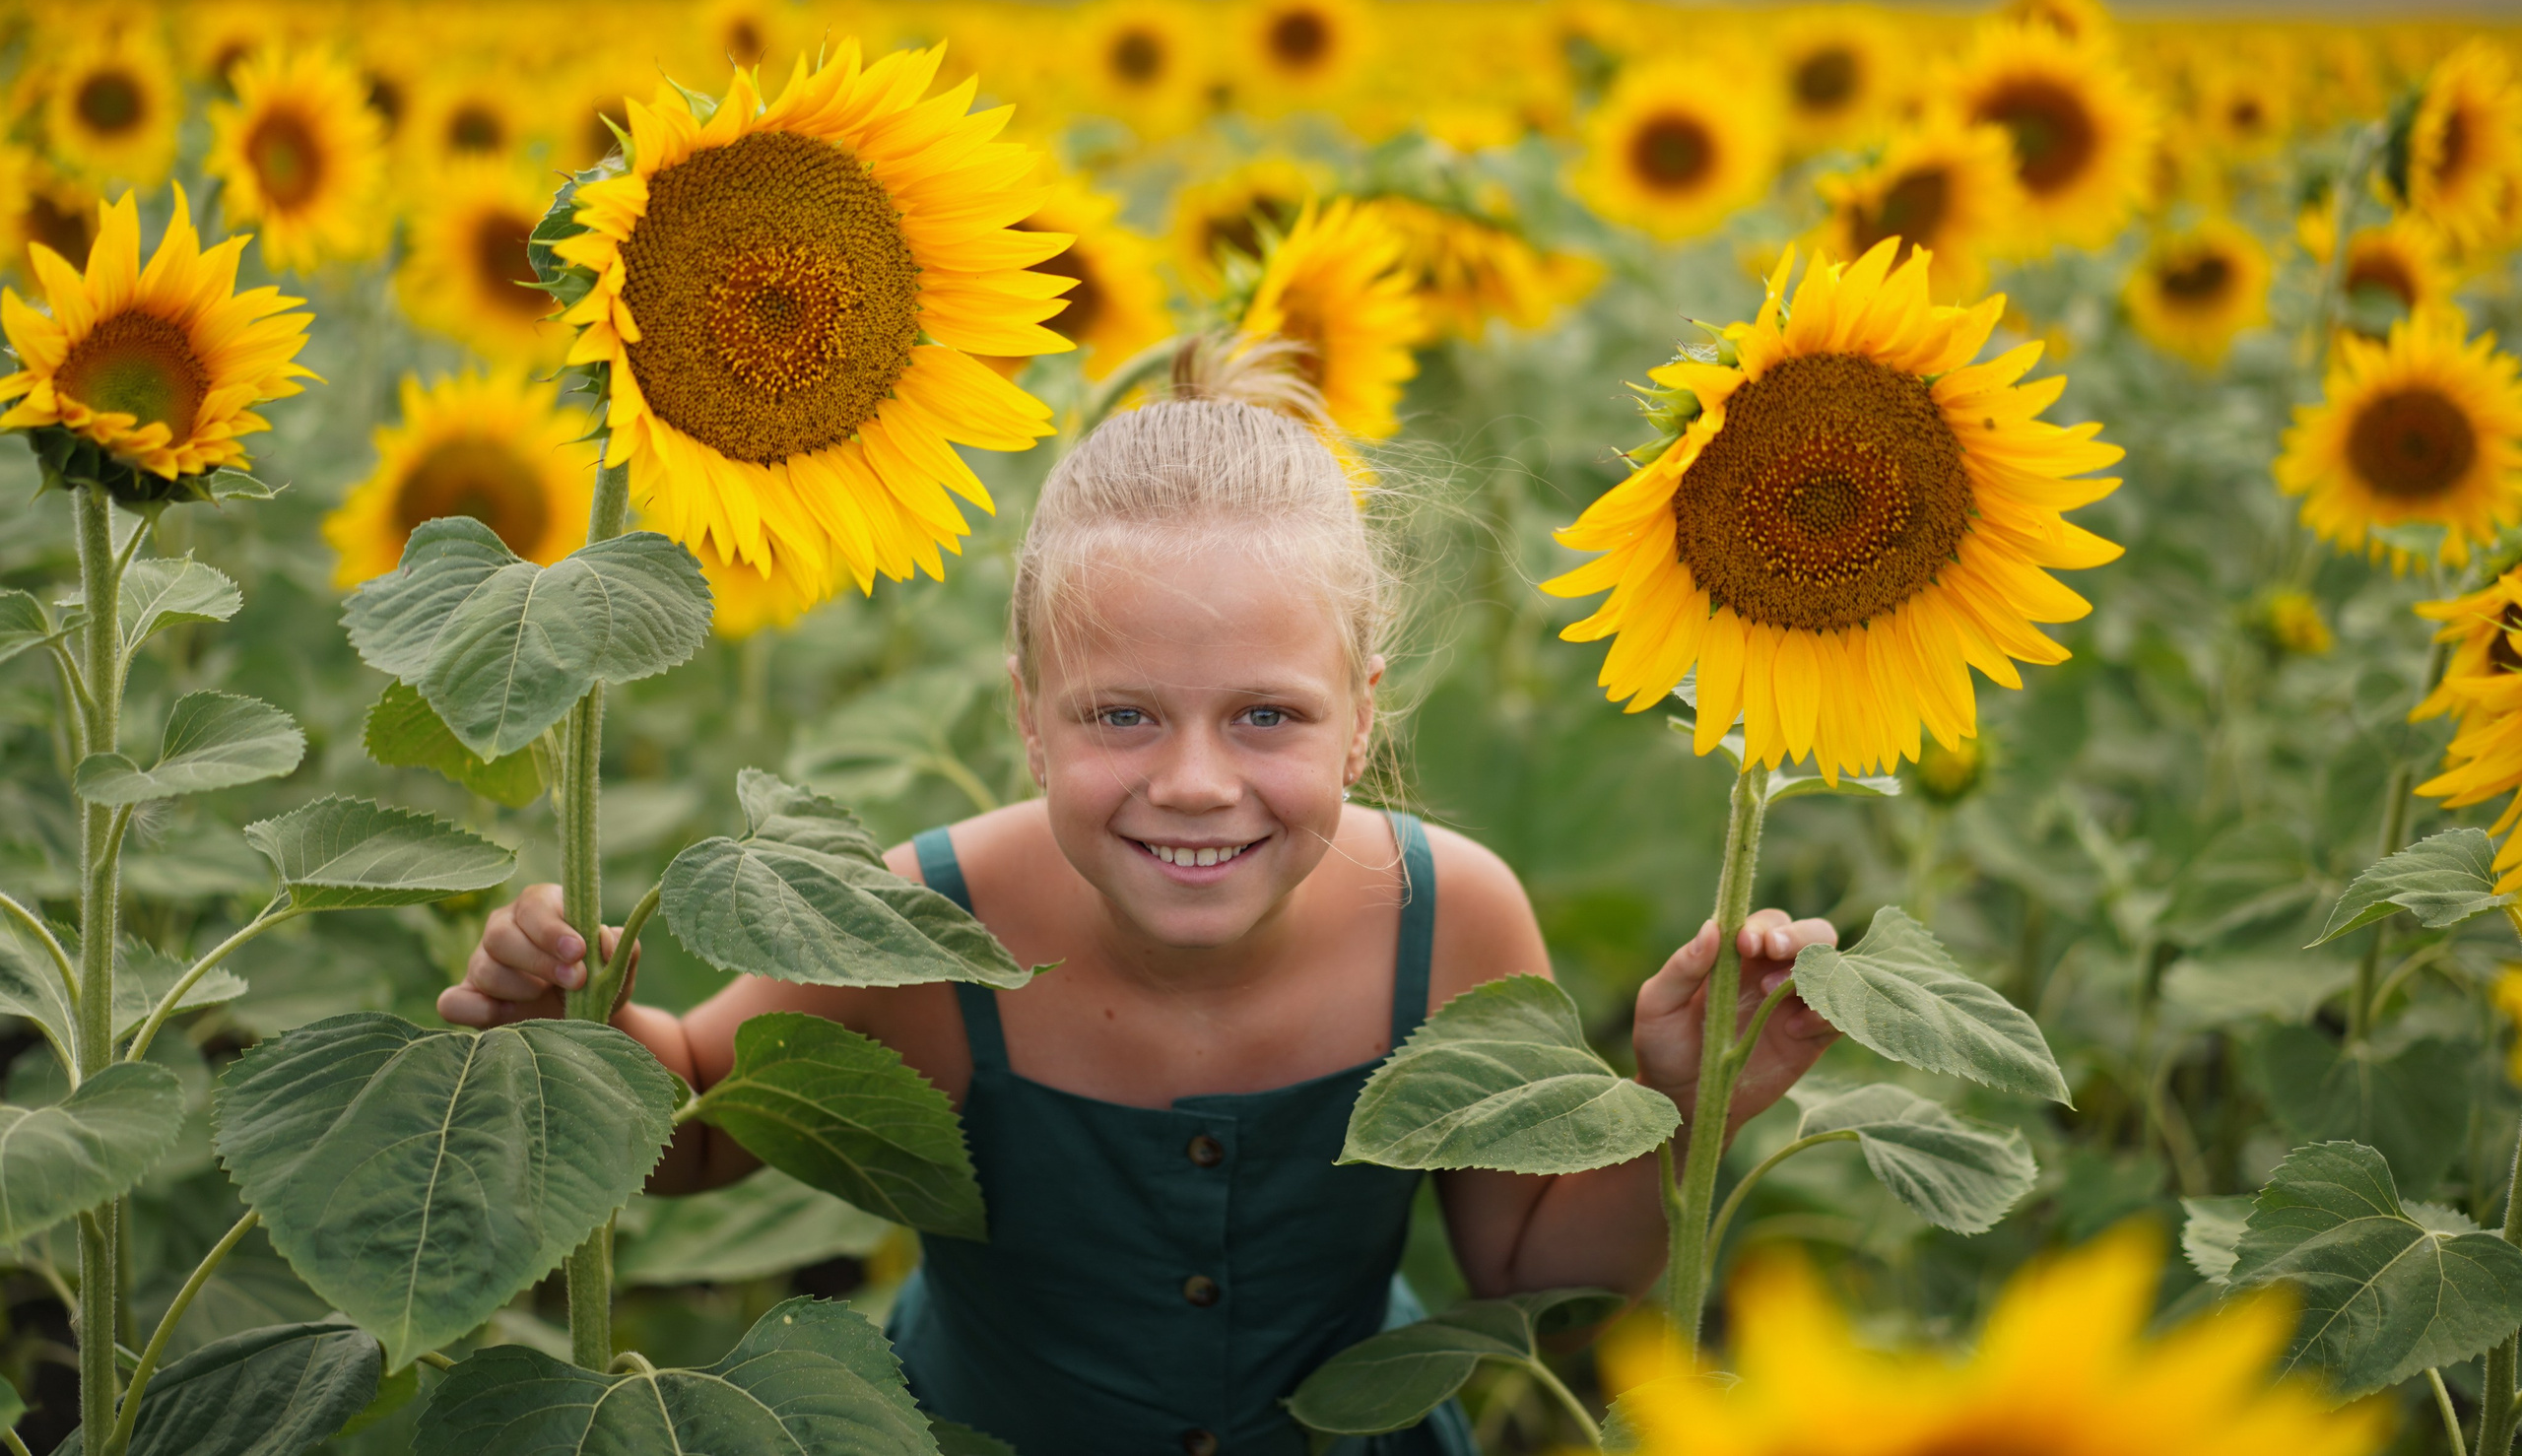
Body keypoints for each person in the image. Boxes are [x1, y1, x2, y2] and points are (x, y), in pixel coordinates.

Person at [439, 379, 1842, 1455]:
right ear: (1028, 721)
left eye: (1267, 716)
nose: (1194, 783)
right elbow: (691, 1134)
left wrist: (1680, 1096)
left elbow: (1530, 1259)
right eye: (1122, 715)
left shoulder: (1448, 917)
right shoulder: (921, 918)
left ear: (1362, 715)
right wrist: (575, 1031)